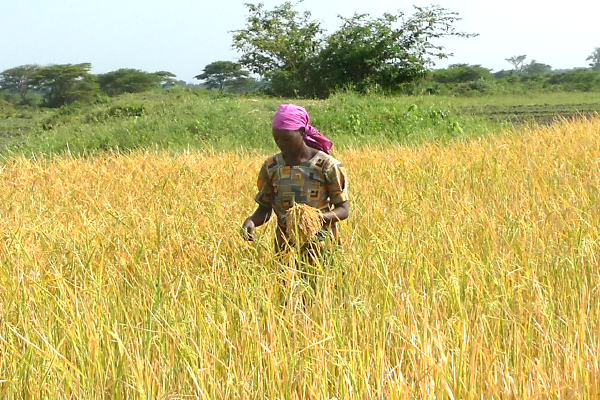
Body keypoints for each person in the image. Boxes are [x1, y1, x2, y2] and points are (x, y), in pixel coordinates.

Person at [242, 104, 349, 256]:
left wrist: (313, 220)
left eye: (286, 138)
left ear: (302, 132)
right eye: (276, 138)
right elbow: (265, 209)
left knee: (320, 279)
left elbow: (343, 210)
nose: (280, 143)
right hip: (284, 248)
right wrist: (251, 221)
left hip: (321, 245)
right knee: (283, 280)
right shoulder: (272, 166)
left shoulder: (327, 165)